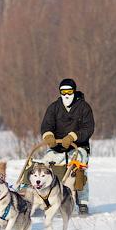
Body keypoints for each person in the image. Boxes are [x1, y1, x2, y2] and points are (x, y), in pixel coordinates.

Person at [39, 78, 94, 214]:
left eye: (69, 91)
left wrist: (72, 137)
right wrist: (48, 136)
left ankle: (82, 202)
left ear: (74, 91)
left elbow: (88, 128)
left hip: (78, 146)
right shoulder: (54, 108)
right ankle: (44, 197)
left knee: (79, 169)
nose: (66, 95)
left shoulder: (84, 107)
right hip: (57, 147)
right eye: (63, 92)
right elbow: (46, 125)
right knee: (44, 165)